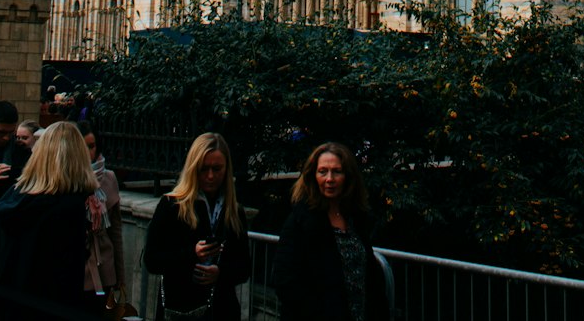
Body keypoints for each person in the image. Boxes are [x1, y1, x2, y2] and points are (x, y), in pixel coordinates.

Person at [273, 142, 389, 321]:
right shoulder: (299, 221)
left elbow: (370, 277)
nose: (329, 178)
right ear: (313, 175)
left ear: (348, 176)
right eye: (322, 171)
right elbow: (285, 282)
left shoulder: (355, 218)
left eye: (337, 171)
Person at [0, 120, 98, 321]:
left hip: (13, 299)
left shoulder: (17, 197)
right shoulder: (69, 206)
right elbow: (67, 271)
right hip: (50, 306)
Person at [144, 132, 250, 321]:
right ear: (194, 168)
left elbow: (244, 267)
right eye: (204, 169)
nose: (210, 176)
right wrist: (192, 254)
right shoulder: (171, 206)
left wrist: (220, 273)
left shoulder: (233, 211)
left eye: (217, 169)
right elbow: (152, 260)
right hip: (181, 307)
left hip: (221, 308)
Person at [81, 120, 129, 316]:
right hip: (80, 267)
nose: (88, 152)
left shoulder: (108, 178)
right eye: (82, 146)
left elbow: (116, 230)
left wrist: (121, 278)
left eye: (91, 146)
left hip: (105, 268)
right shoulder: (65, 178)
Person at [0, 100, 32, 282]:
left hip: (10, 232)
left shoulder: (21, 153)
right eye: (1, 132)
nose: (7, 137)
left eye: (11, 133)